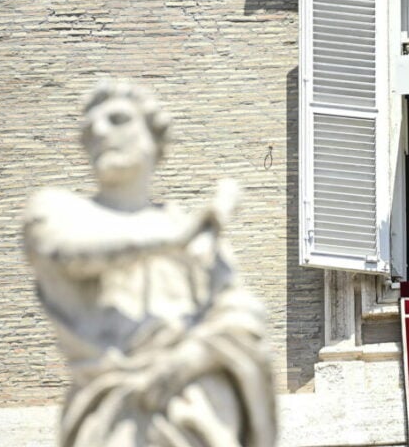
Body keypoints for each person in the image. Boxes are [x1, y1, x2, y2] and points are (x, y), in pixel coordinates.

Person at [23, 81, 276, 447]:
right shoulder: (60, 211)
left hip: (198, 409)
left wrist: (190, 358)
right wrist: (177, 239)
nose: (100, 132)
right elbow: (66, 253)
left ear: (153, 135)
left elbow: (240, 314)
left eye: (118, 120)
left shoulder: (185, 227)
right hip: (113, 410)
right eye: (90, 129)